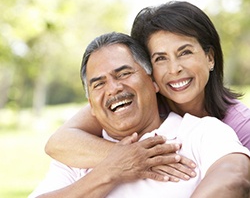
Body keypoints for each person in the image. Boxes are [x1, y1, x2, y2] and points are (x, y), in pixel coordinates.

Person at [29, 32, 250, 198]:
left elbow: (235, 177)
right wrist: (111, 171)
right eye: (99, 84)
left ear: (152, 81)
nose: (114, 88)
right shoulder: (77, 158)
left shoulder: (201, 132)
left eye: (124, 74)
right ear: (91, 105)